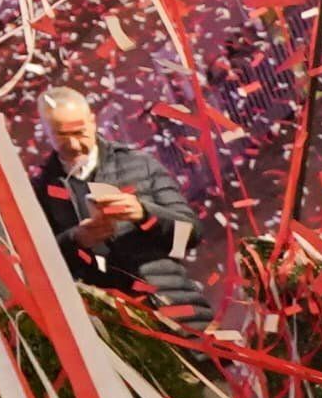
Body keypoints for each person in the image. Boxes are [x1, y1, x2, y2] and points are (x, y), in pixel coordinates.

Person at [30, 88, 197, 307]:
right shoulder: (40, 191)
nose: (73, 145)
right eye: (61, 135)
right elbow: (40, 266)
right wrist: (76, 240)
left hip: (174, 304)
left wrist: (145, 214)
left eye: (79, 132)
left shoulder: (139, 164)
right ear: (46, 132)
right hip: (111, 321)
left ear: (92, 121)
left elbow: (191, 236)